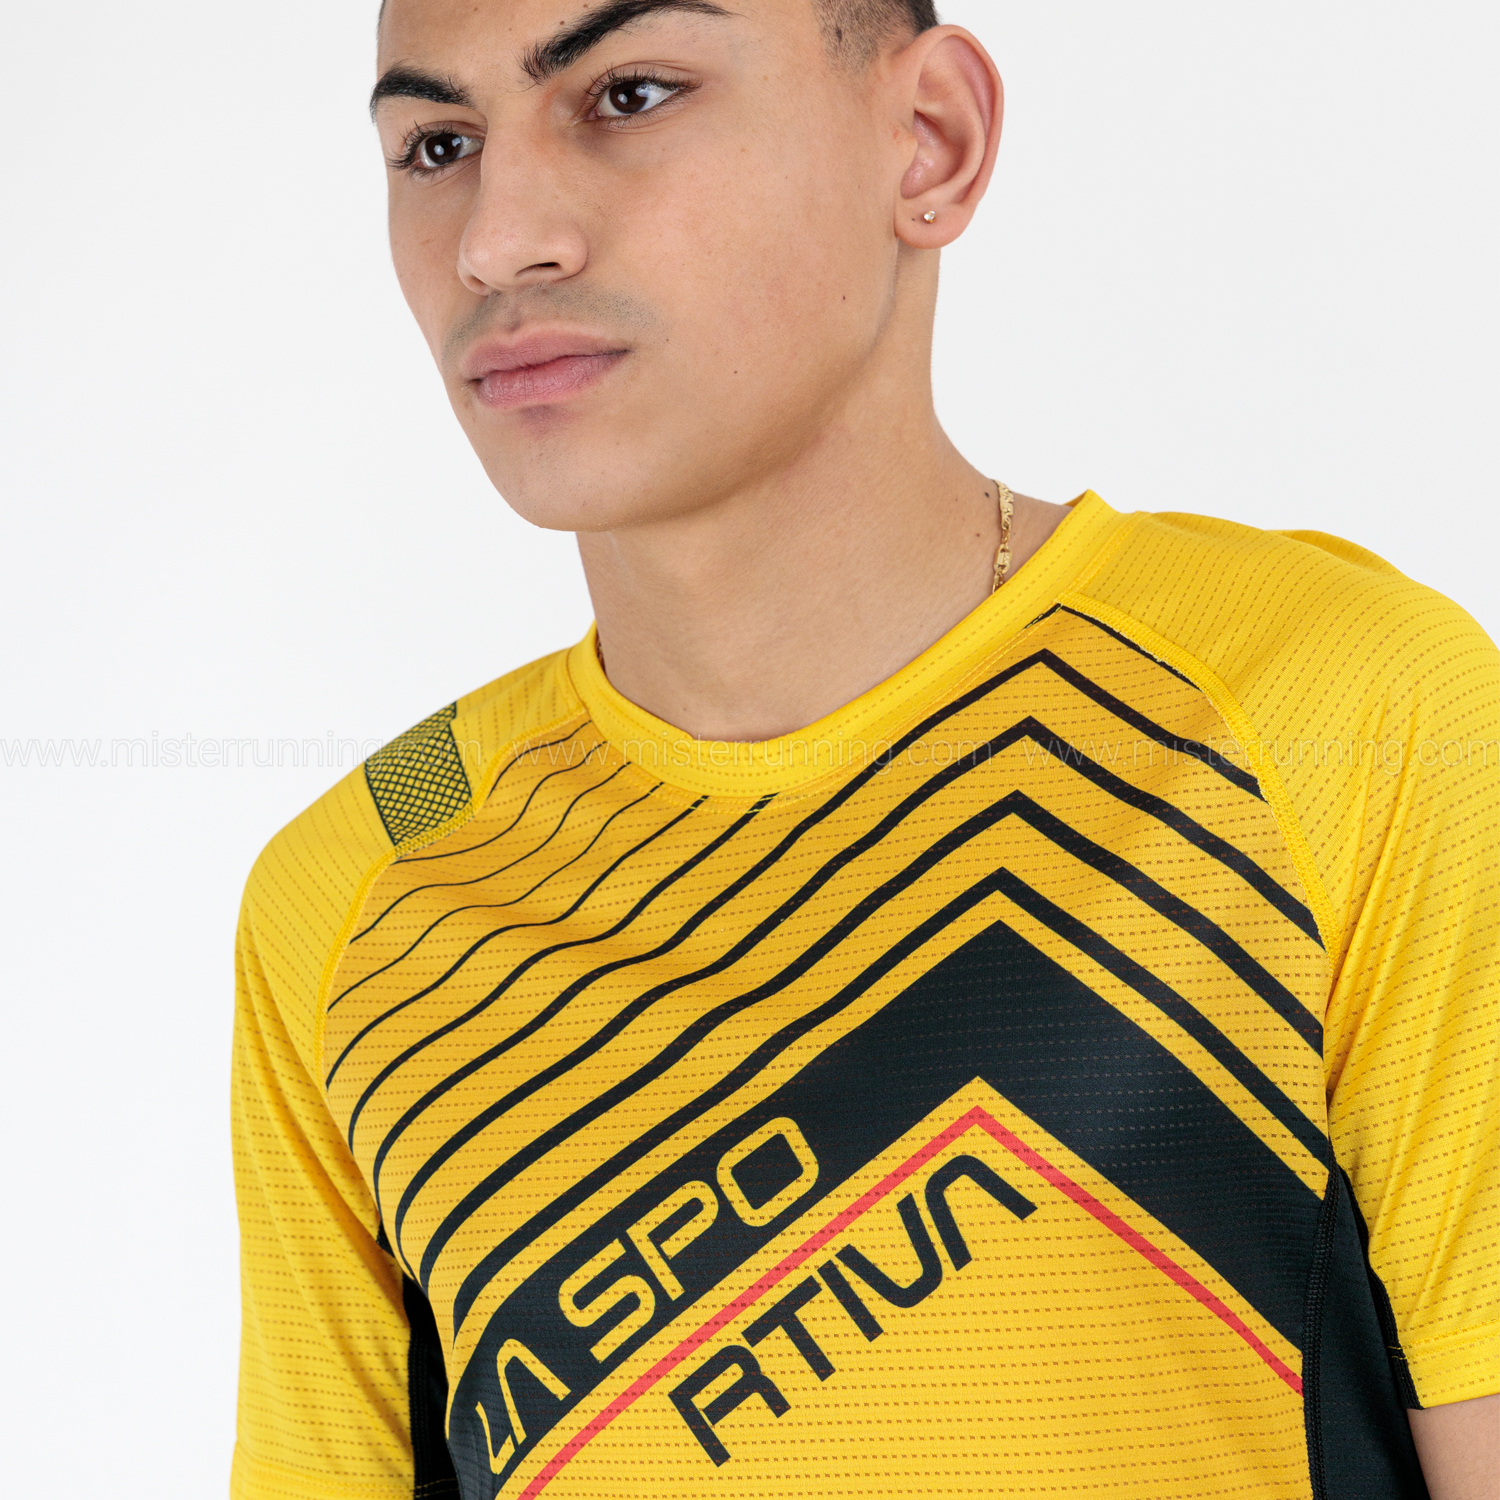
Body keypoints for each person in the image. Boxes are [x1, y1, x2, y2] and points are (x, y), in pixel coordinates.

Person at [228, 3, 1498, 1498]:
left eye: (629, 95)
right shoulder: (354, 883)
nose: (497, 241)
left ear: (929, 142)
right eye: (438, 145)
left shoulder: (1340, 708)